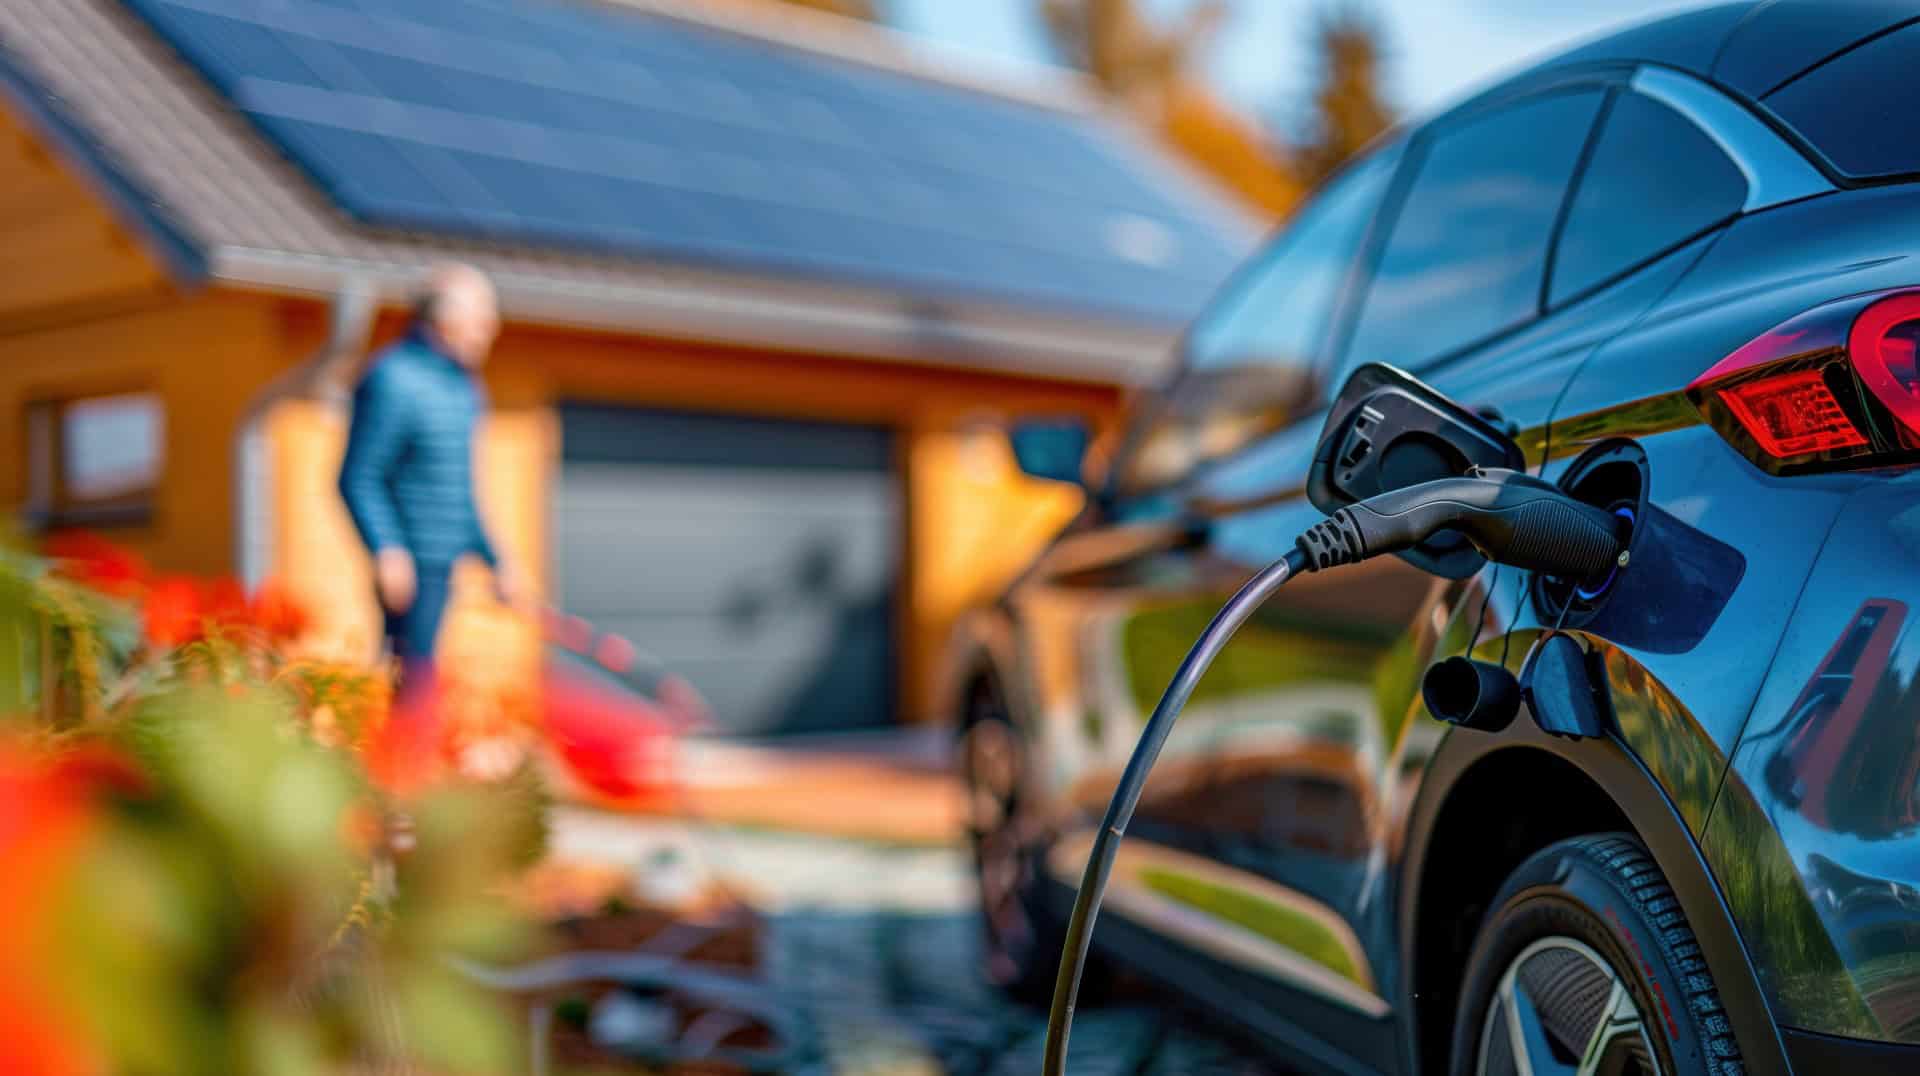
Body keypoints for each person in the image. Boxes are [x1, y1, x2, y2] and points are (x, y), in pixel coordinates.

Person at [338, 263, 527, 686]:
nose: (490, 332)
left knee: (426, 680)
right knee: (410, 680)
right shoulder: (392, 378)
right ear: (444, 321)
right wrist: (387, 547)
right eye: (481, 321)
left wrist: (496, 560)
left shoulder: (463, 386)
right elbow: (359, 476)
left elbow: (459, 491)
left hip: (445, 564)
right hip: (410, 566)